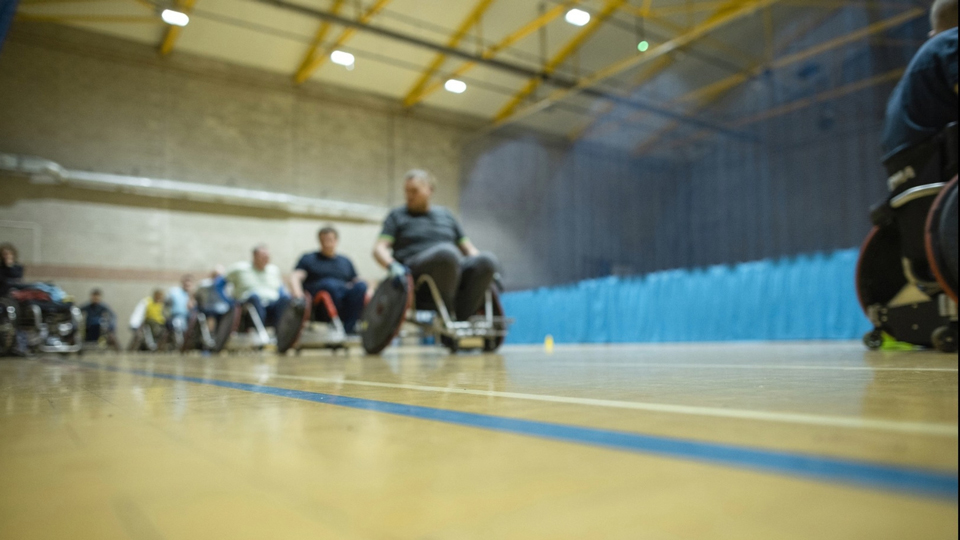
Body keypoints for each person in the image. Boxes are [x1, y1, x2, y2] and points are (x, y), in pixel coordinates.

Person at [373, 170, 499, 321]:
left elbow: (468, 249)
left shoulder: (446, 215)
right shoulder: (397, 216)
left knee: (487, 260)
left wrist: (491, 271)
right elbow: (379, 248)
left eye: (414, 191)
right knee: (447, 253)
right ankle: (447, 315)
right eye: (406, 191)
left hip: (452, 267)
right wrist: (392, 266)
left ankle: (461, 318)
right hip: (416, 270)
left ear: (429, 190)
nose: (409, 196)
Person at [882, 0, 958, 160]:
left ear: (932, 34)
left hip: (912, 176)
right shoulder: (952, 40)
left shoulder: (905, 88)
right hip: (946, 168)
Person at [290, 227, 367, 334]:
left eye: (330, 240)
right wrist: (298, 295)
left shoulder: (345, 261)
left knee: (361, 286)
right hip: (320, 302)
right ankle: (335, 324)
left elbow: (356, 279)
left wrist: (369, 289)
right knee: (329, 284)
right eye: (323, 240)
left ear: (336, 240)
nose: (326, 243)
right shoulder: (308, 258)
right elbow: (295, 276)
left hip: (344, 299)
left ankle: (349, 329)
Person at [225, 244, 289, 328]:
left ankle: (280, 333)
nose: (266, 258)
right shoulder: (240, 269)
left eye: (267, 256)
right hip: (249, 304)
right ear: (254, 256)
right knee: (254, 297)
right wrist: (227, 301)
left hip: (271, 304)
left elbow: (281, 289)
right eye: (263, 256)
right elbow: (220, 281)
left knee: (285, 298)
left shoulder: (274, 270)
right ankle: (259, 332)